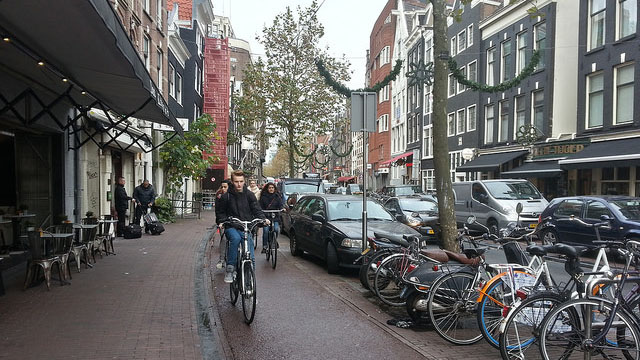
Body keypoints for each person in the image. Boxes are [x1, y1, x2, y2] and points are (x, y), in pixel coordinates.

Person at [216, 171, 268, 283]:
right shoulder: (226, 196)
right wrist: (222, 221)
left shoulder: (249, 195)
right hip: (232, 225)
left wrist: (263, 219)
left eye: (241, 181)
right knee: (235, 239)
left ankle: (250, 283)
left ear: (244, 182)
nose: (239, 184)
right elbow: (220, 212)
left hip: (245, 227)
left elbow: (256, 208)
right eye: (236, 182)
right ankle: (230, 269)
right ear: (232, 182)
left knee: (251, 256)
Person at [259, 182, 284, 253]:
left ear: (274, 188)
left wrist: (282, 209)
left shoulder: (277, 196)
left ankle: (274, 241)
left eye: (272, 188)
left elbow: (280, 204)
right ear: (267, 189)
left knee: (276, 229)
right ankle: (264, 246)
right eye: (269, 188)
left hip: (275, 216)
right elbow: (260, 205)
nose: (271, 189)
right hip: (266, 217)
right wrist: (261, 211)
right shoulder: (263, 197)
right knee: (266, 230)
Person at [215, 179, 232, 269]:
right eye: (222, 187)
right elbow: (218, 211)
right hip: (223, 221)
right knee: (224, 238)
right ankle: (222, 259)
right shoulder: (219, 196)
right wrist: (220, 221)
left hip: (233, 222)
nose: (223, 188)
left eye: (225, 187)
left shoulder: (233, 196)